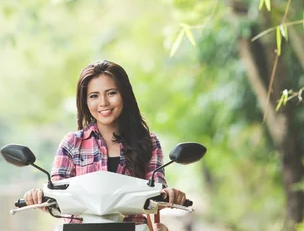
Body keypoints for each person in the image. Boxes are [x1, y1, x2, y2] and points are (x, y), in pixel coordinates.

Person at [24, 60, 187, 231]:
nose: (103, 103)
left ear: (124, 94)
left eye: (111, 93)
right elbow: (56, 195)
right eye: (94, 96)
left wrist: (169, 195)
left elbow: (156, 192)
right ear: (85, 102)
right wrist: (38, 197)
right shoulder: (72, 144)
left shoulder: (148, 142)